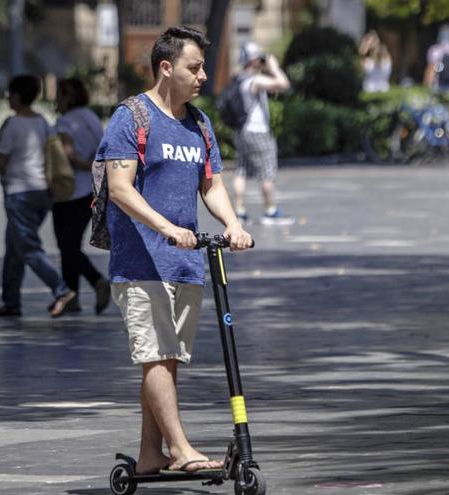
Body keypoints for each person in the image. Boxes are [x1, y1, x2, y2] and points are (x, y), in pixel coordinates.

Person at [96, 26, 253, 474]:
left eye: (203, 67)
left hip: (186, 262)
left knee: (165, 361)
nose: (203, 75)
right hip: (140, 260)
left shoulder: (199, 124)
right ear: (166, 68)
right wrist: (166, 227)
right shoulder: (131, 117)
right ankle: (181, 450)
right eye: (195, 67)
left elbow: (212, 184)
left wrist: (233, 224)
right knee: (156, 355)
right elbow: (120, 188)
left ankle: (149, 455)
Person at [0, 75, 77, 318]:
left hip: (20, 194)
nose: (7, 97)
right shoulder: (42, 122)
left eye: (9, 93)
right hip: (42, 194)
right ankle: (11, 302)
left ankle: (62, 290)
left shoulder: (13, 124)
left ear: (15, 96)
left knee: (28, 248)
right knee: (14, 248)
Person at [52, 77, 111, 314]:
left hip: (68, 191)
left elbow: (68, 154)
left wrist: (85, 165)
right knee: (71, 244)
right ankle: (72, 296)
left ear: (66, 97)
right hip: (92, 191)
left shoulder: (64, 122)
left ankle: (96, 281)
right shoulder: (92, 117)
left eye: (59, 95)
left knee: (66, 245)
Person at [231, 41, 293, 226]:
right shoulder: (255, 80)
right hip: (258, 132)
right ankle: (270, 210)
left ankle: (240, 212)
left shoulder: (238, 79)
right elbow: (283, 84)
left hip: (241, 132)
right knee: (266, 171)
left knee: (241, 170)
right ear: (254, 60)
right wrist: (274, 68)